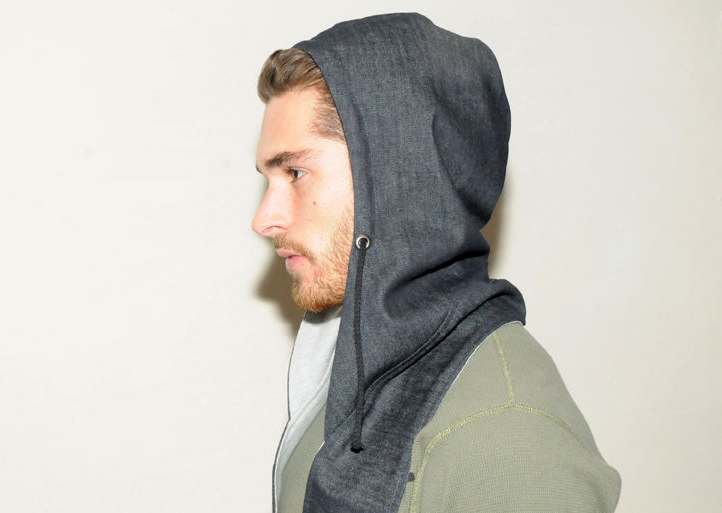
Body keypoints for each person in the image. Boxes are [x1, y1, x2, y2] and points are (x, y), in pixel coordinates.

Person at [252, 13, 620, 513]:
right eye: (268, 179)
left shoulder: (507, 438)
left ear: (396, 179)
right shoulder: (356, 367)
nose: (263, 219)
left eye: (295, 173)